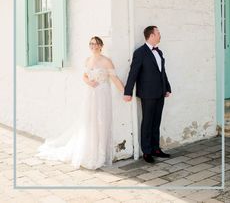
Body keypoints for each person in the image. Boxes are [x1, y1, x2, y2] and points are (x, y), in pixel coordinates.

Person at [37, 36, 124, 170]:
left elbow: (114, 78)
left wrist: (125, 92)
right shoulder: (88, 60)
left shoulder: (107, 61)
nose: (93, 46)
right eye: (91, 44)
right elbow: (84, 76)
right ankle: (89, 149)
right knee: (89, 122)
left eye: (96, 44)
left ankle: (100, 154)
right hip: (90, 94)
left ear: (101, 46)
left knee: (101, 121)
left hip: (102, 94)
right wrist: (89, 82)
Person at [124, 26, 171, 163]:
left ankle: (156, 148)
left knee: (156, 122)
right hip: (147, 93)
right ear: (151, 35)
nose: (160, 35)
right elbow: (133, 73)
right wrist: (128, 92)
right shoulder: (140, 52)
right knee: (147, 122)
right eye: (158, 33)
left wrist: (167, 87)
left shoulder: (159, 52)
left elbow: (162, 72)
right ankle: (147, 151)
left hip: (160, 92)